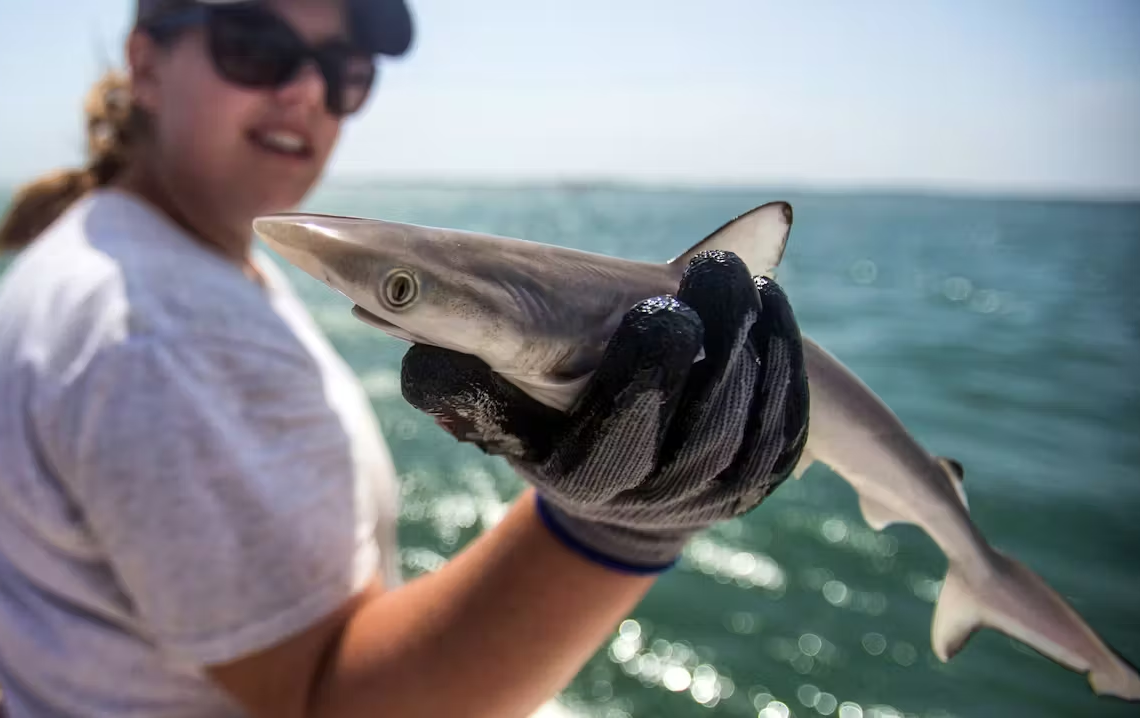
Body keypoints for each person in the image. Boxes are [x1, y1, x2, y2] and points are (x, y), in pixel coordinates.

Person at [0, 1, 810, 716]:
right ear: (145, 62)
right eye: (254, 45)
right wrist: (620, 526)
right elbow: (328, 705)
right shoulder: (167, 335)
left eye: (343, 70)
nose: (307, 92)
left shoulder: (133, 249)